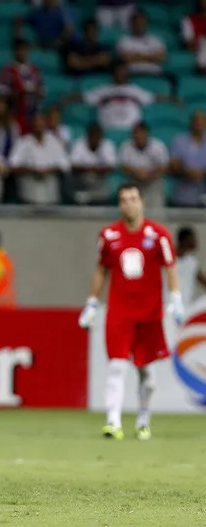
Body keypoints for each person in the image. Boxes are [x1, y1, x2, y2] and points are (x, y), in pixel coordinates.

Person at [78, 183, 183, 441]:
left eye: (133, 199)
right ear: (119, 205)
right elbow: (101, 270)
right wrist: (92, 302)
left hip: (149, 313)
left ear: (142, 202)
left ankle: (143, 419)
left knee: (146, 373)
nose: (129, 204)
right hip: (119, 311)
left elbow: (170, 267)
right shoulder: (109, 235)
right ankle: (113, 421)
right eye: (124, 200)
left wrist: (176, 297)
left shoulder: (158, 235)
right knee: (116, 366)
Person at [176, 227, 206, 308]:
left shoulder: (192, 262)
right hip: (167, 307)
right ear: (185, 240)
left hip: (186, 308)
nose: (196, 241)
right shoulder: (167, 259)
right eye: (193, 238)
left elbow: (203, 280)